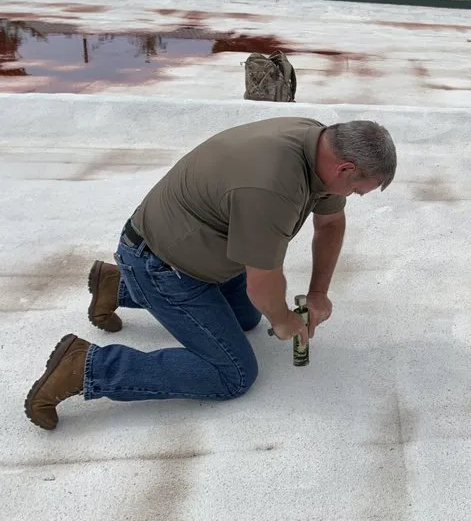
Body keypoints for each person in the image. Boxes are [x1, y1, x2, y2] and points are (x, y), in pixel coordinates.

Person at [24, 117, 397, 430]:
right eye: (356, 190)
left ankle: (116, 286)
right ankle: (88, 366)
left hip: (200, 250)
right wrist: (284, 321)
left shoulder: (321, 148)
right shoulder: (272, 185)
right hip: (161, 263)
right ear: (345, 168)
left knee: (249, 317)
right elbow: (263, 281)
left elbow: (330, 224)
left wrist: (318, 294)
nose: (351, 197)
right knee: (232, 372)